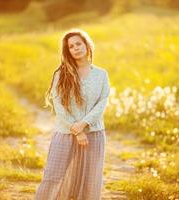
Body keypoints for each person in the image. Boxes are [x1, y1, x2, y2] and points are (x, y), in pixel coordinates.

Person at [34, 28, 111, 200]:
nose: (75, 48)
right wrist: (76, 130)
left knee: (90, 182)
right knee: (53, 177)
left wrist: (83, 125)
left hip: (94, 134)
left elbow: (102, 103)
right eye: (71, 46)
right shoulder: (61, 74)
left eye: (78, 44)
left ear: (87, 45)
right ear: (67, 51)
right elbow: (59, 105)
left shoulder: (101, 74)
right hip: (65, 133)